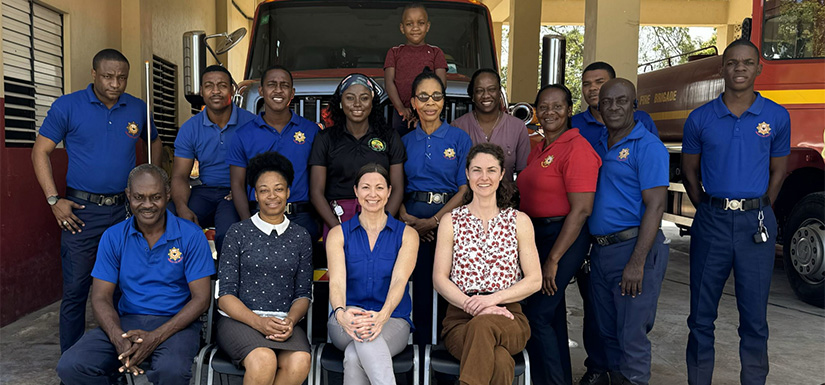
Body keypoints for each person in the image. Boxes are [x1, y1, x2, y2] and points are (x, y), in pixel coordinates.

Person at [31, 48, 161, 354]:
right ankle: (73, 365)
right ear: (94, 75)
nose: (115, 83)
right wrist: (53, 200)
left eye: (121, 78)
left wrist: (154, 179)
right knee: (77, 290)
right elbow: (40, 152)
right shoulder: (68, 106)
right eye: (108, 76)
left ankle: (122, 358)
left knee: (125, 289)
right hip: (81, 212)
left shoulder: (138, 109)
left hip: (125, 213)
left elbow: (155, 142)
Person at [683, 40, 789, 385]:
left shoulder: (776, 116)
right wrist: (711, 207)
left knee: (754, 317)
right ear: (722, 69)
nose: (739, 68)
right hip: (711, 221)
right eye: (732, 63)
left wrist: (758, 206)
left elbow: (778, 172)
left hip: (755, 224)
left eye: (747, 62)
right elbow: (689, 172)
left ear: (759, 68)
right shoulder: (700, 118)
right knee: (700, 316)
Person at [56, 164, 213, 385]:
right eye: (139, 197)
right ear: (128, 196)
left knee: (171, 371)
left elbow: (201, 299)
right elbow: (100, 297)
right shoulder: (113, 236)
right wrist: (117, 337)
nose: (147, 205)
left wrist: (155, 337)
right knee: (71, 366)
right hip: (127, 322)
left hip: (177, 324)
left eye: (156, 197)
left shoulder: (191, 236)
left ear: (168, 195)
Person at [432, 143, 542, 385]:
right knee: (500, 360)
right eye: (477, 170)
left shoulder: (519, 221)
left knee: (484, 327)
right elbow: (439, 278)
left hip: (509, 317)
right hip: (460, 319)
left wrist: (491, 301)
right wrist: (473, 306)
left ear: (502, 174)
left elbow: (535, 280)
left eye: (491, 170)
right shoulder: (451, 221)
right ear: (467, 174)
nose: (484, 177)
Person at [517, 85, 602, 385]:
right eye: (544, 106)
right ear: (536, 111)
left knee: (538, 315)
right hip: (538, 236)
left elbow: (581, 210)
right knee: (550, 314)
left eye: (558, 106)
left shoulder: (577, 149)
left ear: (569, 109)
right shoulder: (538, 148)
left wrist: (553, 259)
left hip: (564, 236)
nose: (550, 112)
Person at [588, 79, 669, 385]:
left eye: (622, 101)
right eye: (607, 102)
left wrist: (637, 262)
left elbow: (656, 206)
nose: (613, 108)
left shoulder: (647, 146)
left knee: (631, 335)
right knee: (607, 332)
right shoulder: (597, 144)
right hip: (602, 252)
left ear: (635, 105)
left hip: (634, 249)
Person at [216, 151, 313, 385]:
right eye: (264, 190)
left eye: (279, 189)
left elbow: (303, 294)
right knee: (264, 359)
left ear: (288, 192)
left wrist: (290, 320)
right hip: (238, 321)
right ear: (255, 195)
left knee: (300, 360)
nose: (272, 196)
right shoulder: (238, 233)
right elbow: (224, 296)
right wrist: (258, 322)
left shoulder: (301, 236)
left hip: (282, 322)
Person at [326, 163, 419, 385]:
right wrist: (341, 314)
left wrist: (382, 316)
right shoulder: (338, 234)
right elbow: (337, 283)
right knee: (364, 335)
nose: (372, 194)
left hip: (393, 320)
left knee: (354, 354)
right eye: (366, 187)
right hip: (345, 319)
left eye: (379, 188)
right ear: (356, 192)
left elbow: (399, 281)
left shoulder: (407, 235)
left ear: (389, 192)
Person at [400, 70, 472, 347]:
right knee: (416, 288)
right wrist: (406, 218)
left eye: (437, 96)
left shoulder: (459, 138)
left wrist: (435, 221)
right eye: (423, 97)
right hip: (410, 223)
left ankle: (445, 355)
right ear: (414, 102)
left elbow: (465, 189)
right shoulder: (405, 141)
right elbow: (396, 186)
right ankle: (416, 353)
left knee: (448, 288)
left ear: (444, 100)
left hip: (450, 221)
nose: (430, 103)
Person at [226, 65, 320, 241]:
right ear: (261, 90)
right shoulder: (243, 135)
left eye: (284, 85)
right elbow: (237, 184)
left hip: (300, 217)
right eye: (272, 84)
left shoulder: (311, 131)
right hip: (258, 215)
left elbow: (320, 179)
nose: (278, 90)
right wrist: (248, 225)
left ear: (292, 93)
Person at [170, 65, 256, 256]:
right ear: (201, 91)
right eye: (209, 86)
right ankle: (178, 279)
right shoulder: (190, 128)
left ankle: (226, 282)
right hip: (205, 191)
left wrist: (244, 187)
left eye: (222, 85)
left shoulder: (251, 123)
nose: (215, 91)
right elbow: (179, 176)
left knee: (228, 233)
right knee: (168, 220)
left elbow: (262, 167)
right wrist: (182, 208)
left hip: (237, 191)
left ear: (232, 90)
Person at [309, 74, 406, 239]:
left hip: (379, 216)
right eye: (349, 98)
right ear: (340, 102)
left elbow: (397, 188)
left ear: (373, 103)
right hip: (338, 219)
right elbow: (316, 192)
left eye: (364, 98)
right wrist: (339, 231)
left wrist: (382, 225)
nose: (357, 104)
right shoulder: (325, 138)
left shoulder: (389, 137)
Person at [451, 68, 530, 182]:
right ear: (472, 96)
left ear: (499, 93)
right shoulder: (458, 127)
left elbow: (523, 174)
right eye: (479, 91)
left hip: (506, 198)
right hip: (468, 199)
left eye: (492, 89)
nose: (486, 95)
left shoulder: (517, 127)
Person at [384, 2, 448, 136]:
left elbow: (440, 85)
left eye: (421, 23)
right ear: (402, 28)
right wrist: (401, 108)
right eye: (409, 24)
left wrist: (423, 108)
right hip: (401, 113)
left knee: (430, 144)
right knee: (402, 147)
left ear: (428, 26)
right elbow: (389, 82)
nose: (415, 28)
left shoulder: (436, 52)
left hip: (429, 111)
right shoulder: (394, 52)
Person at [571, 61, 658, 149]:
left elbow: (655, 155)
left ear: (613, 84)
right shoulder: (573, 124)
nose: (592, 88)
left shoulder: (641, 119)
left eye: (599, 82)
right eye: (586, 84)